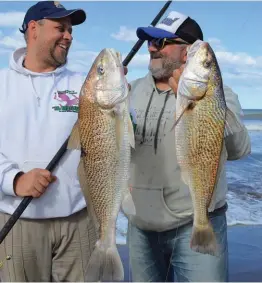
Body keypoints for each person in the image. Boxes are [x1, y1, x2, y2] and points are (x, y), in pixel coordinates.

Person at [121, 11, 251, 282]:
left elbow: (239, 149)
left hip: (197, 222)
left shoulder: (218, 94)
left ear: (188, 52)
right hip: (140, 227)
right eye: (150, 42)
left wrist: (211, 103)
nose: (152, 48)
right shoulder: (128, 91)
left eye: (161, 42)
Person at [0, 1, 98, 281]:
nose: (69, 36)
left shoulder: (85, 84)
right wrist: (14, 180)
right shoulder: (2, 84)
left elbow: (117, 134)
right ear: (34, 29)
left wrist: (118, 99)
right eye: (60, 28)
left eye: (70, 30)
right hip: (17, 221)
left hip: (79, 220)